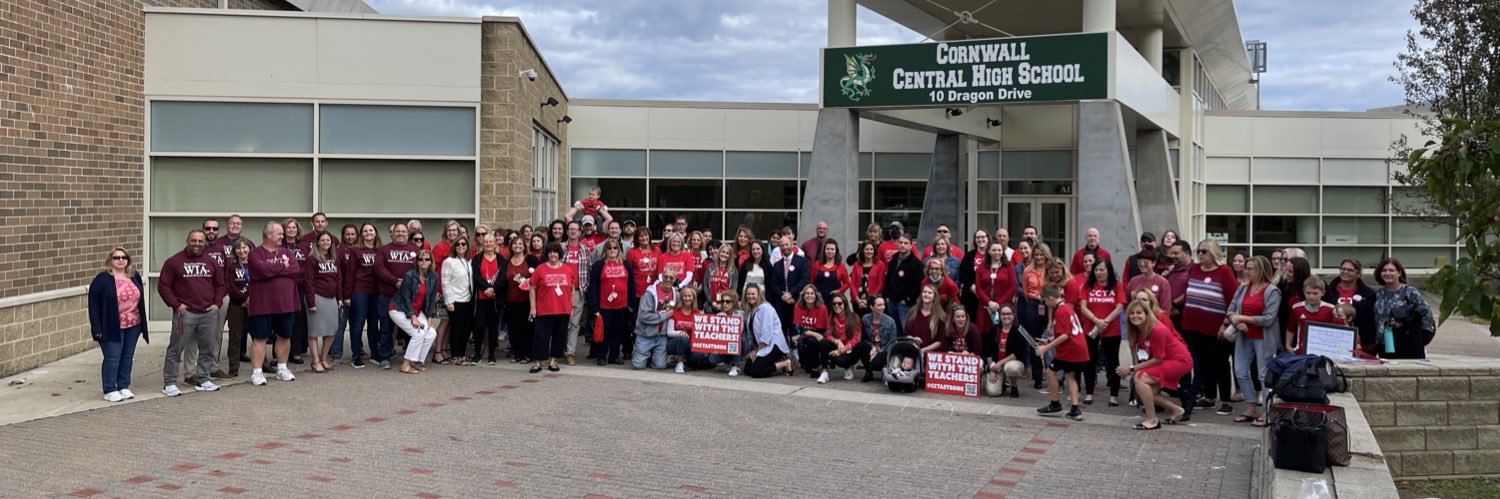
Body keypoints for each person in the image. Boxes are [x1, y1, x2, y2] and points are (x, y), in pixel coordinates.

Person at [157, 229, 225, 397]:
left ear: (204, 243)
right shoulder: (174, 262)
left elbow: (220, 285)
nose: (197, 244)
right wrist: (175, 304)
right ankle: (170, 383)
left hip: (208, 313)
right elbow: (164, 286)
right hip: (184, 314)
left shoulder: (211, 261)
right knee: (176, 348)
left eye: (200, 241)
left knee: (208, 348)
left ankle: (204, 379)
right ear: (187, 240)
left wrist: (216, 304)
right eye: (193, 240)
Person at [1182, 240, 1240, 416]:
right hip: (1194, 325)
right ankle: (1209, 397)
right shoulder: (1194, 269)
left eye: (1204, 252)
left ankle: (1225, 400)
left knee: (1220, 364)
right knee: (1203, 362)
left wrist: (1225, 323)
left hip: (1217, 327)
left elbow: (1233, 300)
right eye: (1198, 251)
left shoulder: (1225, 272)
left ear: (1213, 253)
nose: (1200, 254)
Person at [1117, 301, 1193, 430]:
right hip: (1167, 360)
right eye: (1132, 313)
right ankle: (1177, 410)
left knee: (1140, 378)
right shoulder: (1138, 330)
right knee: (1147, 391)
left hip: (1179, 361)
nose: (1135, 316)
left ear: (1147, 314)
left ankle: (1152, 420)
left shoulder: (1157, 329)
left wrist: (1131, 369)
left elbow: (1157, 359)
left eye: (1139, 313)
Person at [1227, 255, 1281, 426]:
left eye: (1251, 268)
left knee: (1264, 374)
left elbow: (1268, 318)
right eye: (1246, 268)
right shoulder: (1243, 288)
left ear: (1261, 270)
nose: (1246, 271)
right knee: (1240, 371)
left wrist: (1243, 318)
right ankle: (1250, 406)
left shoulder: (1272, 291)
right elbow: (1231, 310)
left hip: (1264, 338)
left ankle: (1267, 409)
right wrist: (1237, 320)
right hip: (1245, 337)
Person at [90, 247, 149, 402]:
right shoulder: (102, 279)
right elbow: (94, 305)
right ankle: (110, 389)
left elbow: (139, 300)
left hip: (133, 324)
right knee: (112, 358)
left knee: (127, 357)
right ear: (110, 260)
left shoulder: (134, 276)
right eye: (117, 257)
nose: (120, 260)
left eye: (124, 257)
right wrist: (97, 328)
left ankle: (123, 386)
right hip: (111, 325)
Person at [247, 221, 300, 386]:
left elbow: (295, 269)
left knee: (284, 336)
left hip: (286, 304)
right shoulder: (255, 253)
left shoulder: (287, 252)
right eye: (280, 234)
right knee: (260, 337)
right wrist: (280, 266)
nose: (283, 237)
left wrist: (273, 269)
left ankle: (282, 368)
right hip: (262, 305)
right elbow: (261, 270)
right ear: (269, 235)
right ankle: (257, 372)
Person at [1035, 283, 1088, 421]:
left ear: (1051, 298)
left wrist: (1045, 348)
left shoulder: (1060, 311)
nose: (1046, 304)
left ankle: (1055, 403)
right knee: (1070, 376)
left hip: (1070, 349)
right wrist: (1048, 340)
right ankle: (1075, 409)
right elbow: (1066, 332)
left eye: (1045, 301)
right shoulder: (1067, 308)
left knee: (1050, 372)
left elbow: (1064, 336)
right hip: (1079, 348)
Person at [1080, 258, 1126, 406]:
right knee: (1089, 361)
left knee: (1112, 362)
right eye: (1097, 270)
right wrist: (1096, 320)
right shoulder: (1088, 286)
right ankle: (1089, 393)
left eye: (1102, 270)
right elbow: (1083, 306)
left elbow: (1119, 307)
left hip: (1111, 329)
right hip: (1091, 328)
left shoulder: (1116, 286)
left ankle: (1114, 395)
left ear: (1108, 271)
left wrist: (1105, 321)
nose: (1099, 273)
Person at [372, 223, 418, 370]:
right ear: (392, 234)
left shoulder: (415, 250)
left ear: (408, 233)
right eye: (397, 231)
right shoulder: (383, 250)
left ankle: (412, 358)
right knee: (386, 327)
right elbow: (379, 269)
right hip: (388, 295)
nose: (400, 233)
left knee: (411, 328)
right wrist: (395, 281)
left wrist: (406, 284)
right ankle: (384, 357)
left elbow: (421, 269)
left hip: (408, 297)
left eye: (403, 231)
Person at [388, 249, 439, 374]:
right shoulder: (410, 275)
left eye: (427, 259)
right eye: (420, 259)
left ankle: (415, 361)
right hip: (399, 309)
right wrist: (413, 317)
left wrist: (429, 319)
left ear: (431, 261)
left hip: (416, 310)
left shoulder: (433, 276)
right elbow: (405, 298)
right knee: (418, 333)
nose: (424, 262)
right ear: (416, 262)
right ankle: (405, 364)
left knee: (431, 332)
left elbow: (432, 300)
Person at [1374, 258, 1436, 359]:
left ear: (1399, 273)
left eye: (1391, 270)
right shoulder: (1379, 293)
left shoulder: (1409, 291)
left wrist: (1404, 323)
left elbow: (1425, 312)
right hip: (1384, 343)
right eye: (1384, 270)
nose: (1387, 273)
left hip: (1407, 342)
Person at [528, 242, 575, 373]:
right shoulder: (540, 269)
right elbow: (532, 289)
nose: (553, 254)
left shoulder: (567, 269)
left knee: (559, 336)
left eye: (555, 252)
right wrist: (533, 307)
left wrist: (572, 308)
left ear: (560, 254)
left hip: (563, 309)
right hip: (544, 309)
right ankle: (538, 362)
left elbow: (571, 290)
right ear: (547, 254)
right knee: (541, 336)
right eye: (550, 252)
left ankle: (553, 361)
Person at [588, 239, 636, 366]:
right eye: (610, 248)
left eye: (615, 248)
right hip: (604, 305)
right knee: (605, 331)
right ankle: (601, 356)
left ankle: (614, 356)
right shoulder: (599, 265)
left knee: (617, 331)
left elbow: (631, 284)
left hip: (622, 305)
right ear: (605, 250)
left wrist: (631, 303)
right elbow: (593, 286)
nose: (612, 251)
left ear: (619, 250)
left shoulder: (625, 264)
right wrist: (594, 307)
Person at [303, 231, 342, 374]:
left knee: (332, 330)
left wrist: (340, 298)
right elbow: (309, 281)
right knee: (314, 331)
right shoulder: (312, 259)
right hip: (317, 297)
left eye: (328, 240)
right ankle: (315, 361)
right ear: (317, 242)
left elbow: (339, 280)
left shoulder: (334, 258)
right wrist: (311, 302)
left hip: (331, 298)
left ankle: (324, 358)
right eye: (323, 240)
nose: (326, 242)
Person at [344, 223, 381, 369]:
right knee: (358, 323)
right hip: (360, 291)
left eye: (371, 230)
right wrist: (347, 295)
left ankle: (374, 352)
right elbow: (350, 274)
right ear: (362, 234)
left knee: (373, 323)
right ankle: (356, 356)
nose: (368, 233)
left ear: (375, 233)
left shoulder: (380, 250)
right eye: (365, 231)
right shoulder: (356, 251)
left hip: (376, 292)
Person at [501, 236, 540, 364]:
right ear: (511, 246)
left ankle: (528, 354)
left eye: (520, 243)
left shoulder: (531, 259)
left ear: (524, 246)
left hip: (527, 301)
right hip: (511, 300)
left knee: (528, 328)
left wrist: (529, 280)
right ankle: (517, 353)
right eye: (515, 244)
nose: (517, 245)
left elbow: (540, 275)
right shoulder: (506, 262)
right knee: (513, 328)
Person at [975, 241, 1018, 359]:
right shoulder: (981, 267)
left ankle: (1001, 359)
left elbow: (1013, 287)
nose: (997, 252)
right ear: (989, 251)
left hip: (1003, 307)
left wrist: (999, 304)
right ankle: (986, 361)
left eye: (999, 250)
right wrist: (989, 302)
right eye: (994, 250)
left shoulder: (1008, 266)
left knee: (1001, 332)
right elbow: (978, 288)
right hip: (985, 307)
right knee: (986, 333)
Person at [1327, 259, 1379, 354]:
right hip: (1333, 342)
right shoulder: (1328, 291)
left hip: (1363, 344)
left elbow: (1371, 319)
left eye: (1350, 270)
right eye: (1343, 269)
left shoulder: (1369, 294)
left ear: (1358, 274)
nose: (1345, 272)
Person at [632, 267, 680, 370]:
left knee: (660, 366)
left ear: (675, 279)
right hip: (645, 334)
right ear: (662, 277)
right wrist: (665, 316)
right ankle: (644, 354)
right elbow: (643, 316)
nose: (668, 279)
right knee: (638, 366)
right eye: (666, 277)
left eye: (671, 278)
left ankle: (652, 356)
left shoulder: (676, 295)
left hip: (661, 337)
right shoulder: (649, 294)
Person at [744, 284, 794, 377]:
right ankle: (773, 362)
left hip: (773, 345)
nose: (750, 296)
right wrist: (754, 350)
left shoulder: (765, 308)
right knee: (747, 369)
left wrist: (758, 351)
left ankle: (785, 363)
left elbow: (766, 334)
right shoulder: (751, 310)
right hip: (762, 346)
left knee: (756, 371)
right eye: (748, 294)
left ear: (759, 294)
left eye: (753, 294)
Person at [328, 224, 359, 365]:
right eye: (347, 234)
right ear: (343, 235)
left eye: (353, 234)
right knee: (340, 325)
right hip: (342, 292)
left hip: (359, 292)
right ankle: (336, 353)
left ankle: (359, 351)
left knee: (356, 324)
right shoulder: (338, 251)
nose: (350, 237)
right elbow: (337, 275)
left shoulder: (361, 250)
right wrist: (340, 296)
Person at [769, 235, 811, 341]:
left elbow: (805, 280)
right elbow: (773, 284)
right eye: (781, 245)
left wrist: (791, 293)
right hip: (781, 304)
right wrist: (783, 296)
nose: (784, 247)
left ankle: (797, 354)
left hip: (797, 302)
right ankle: (783, 355)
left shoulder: (802, 261)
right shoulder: (777, 264)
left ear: (792, 245)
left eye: (786, 244)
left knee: (797, 332)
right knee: (781, 332)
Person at [985, 303, 1030, 398]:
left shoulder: (1019, 331)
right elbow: (987, 350)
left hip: (1012, 363)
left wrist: (999, 363)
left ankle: (1013, 384)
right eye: (1003, 314)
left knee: (1011, 368)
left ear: (1013, 315)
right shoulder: (993, 329)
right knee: (993, 392)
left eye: (1009, 314)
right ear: (1000, 315)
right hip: (996, 365)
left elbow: (1017, 353)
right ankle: (1003, 383)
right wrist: (992, 368)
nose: (1006, 316)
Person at [442, 236, 475, 366]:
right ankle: (455, 355)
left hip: (468, 299)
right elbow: (445, 282)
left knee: (467, 328)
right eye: (458, 244)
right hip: (455, 300)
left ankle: (462, 353)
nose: (461, 246)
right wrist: (449, 301)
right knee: (457, 328)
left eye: (463, 244)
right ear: (454, 247)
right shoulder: (449, 261)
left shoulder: (469, 261)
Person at [563, 221, 592, 365]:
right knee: (562, 322)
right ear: (567, 231)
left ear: (580, 232)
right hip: (561, 292)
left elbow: (589, 270)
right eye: (571, 229)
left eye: (576, 230)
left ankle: (570, 352)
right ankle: (557, 350)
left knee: (574, 324)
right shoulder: (560, 248)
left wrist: (585, 287)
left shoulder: (585, 250)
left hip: (578, 291)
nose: (573, 232)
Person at [883, 233, 924, 331]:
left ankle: (906, 347)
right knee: (893, 330)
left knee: (906, 329)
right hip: (891, 301)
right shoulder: (893, 259)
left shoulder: (916, 264)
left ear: (911, 245)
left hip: (905, 304)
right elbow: (889, 278)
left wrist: (907, 299)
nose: (902, 245)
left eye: (906, 243)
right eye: (900, 242)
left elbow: (918, 285)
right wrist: (887, 296)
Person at [223, 240, 253, 377]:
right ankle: (233, 368)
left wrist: (251, 299)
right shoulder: (231, 266)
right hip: (236, 305)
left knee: (259, 336)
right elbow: (229, 286)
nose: (242, 250)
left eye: (244, 247)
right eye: (238, 248)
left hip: (255, 304)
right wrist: (244, 299)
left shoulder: (255, 265)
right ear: (235, 251)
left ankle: (262, 364)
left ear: (250, 248)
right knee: (235, 337)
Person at [1287, 276, 1337, 355]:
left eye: (1315, 293)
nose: (1311, 296)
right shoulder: (1297, 308)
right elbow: (1291, 328)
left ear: (1323, 293)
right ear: (1303, 291)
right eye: (1308, 293)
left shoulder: (1331, 309)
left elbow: (1337, 331)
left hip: (1324, 352)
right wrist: (1288, 345)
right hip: (1301, 352)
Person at [792, 286, 830, 377]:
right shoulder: (798, 306)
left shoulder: (822, 308)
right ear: (803, 296)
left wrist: (807, 333)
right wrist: (796, 336)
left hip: (817, 335)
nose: (810, 296)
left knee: (811, 341)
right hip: (804, 335)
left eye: (812, 293)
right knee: (806, 367)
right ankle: (809, 362)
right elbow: (797, 325)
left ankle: (817, 365)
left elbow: (820, 330)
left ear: (816, 295)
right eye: (807, 293)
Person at [665, 286, 705, 373]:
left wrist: (703, 319)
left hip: (690, 344)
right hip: (674, 344)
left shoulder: (698, 313)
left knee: (699, 355)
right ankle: (679, 363)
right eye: (685, 296)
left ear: (693, 298)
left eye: (690, 296)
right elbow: (669, 332)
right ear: (681, 298)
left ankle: (685, 359)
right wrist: (680, 332)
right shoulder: (675, 312)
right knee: (683, 338)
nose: (687, 298)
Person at [860, 296, 899, 382]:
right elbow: (864, 338)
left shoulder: (890, 321)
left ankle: (884, 369)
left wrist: (878, 350)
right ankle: (868, 372)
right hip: (871, 348)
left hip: (884, 349)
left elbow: (892, 342)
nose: (882, 307)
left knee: (875, 363)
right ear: (871, 306)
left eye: (883, 305)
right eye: (879, 305)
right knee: (861, 346)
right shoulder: (865, 319)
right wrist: (872, 347)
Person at [903, 285, 948, 353]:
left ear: (934, 296)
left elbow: (940, 341)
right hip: (914, 350)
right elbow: (906, 334)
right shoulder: (913, 312)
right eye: (924, 292)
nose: (926, 294)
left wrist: (923, 350)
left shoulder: (941, 316)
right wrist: (913, 339)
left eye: (930, 293)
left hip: (932, 355)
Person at [849, 240, 885, 317]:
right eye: (867, 249)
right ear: (862, 251)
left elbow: (880, 285)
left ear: (874, 251)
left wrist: (868, 300)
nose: (869, 251)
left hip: (872, 301)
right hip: (858, 301)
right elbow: (852, 284)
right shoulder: (857, 265)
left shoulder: (880, 265)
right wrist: (857, 299)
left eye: (871, 249)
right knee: (858, 324)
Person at [808, 239, 849, 307]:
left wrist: (839, 291)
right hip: (818, 300)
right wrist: (813, 294)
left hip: (835, 301)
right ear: (824, 250)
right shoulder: (817, 264)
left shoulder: (841, 266)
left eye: (832, 249)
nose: (830, 251)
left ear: (836, 251)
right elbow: (811, 282)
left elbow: (847, 283)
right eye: (827, 249)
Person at [703, 245, 739, 309]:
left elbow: (733, 290)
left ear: (730, 256)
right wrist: (712, 302)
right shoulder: (710, 267)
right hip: (711, 305)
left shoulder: (733, 270)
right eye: (723, 252)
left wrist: (725, 304)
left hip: (726, 306)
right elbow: (705, 285)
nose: (724, 254)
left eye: (727, 253)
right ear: (719, 252)